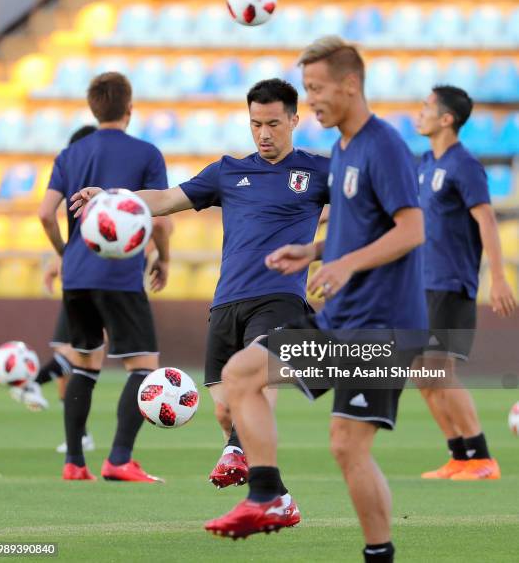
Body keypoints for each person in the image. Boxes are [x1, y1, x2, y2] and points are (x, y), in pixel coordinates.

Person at [200, 36, 427, 563]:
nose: (313, 99)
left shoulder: (382, 145)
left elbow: (413, 228)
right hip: (340, 322)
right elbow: (356, 226)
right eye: (307, 88)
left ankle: (379, 554)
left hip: (382, 329)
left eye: (318, 89)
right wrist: (317, 249)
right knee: (240, 375)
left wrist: (344, 263)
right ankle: (268, 496)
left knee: (348, 447)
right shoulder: (344, 151)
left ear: (350, 85)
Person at [71, 79, 330, 518]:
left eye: (272, 124)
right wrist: (115, 199)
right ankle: (279, 497)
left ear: (293, 120)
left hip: (281, 298)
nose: (263, 133)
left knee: (256, 378)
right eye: (255, 124)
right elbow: (169, 199)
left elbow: (360, 217)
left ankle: (236, 455)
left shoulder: (318, 172)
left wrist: (330, 257)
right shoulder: (228, 171)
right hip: (227, 302)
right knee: (228, 410)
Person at [39, 72, 171, 481]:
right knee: (143, 365)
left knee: (84, 362)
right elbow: (162, 218)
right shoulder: (147, 154)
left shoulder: (71, 154)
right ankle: (118, 458)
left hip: (76, 275)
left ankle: (74, 462)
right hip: (120, 274)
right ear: (129, 109)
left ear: (94, 108)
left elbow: (45, 213)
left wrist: (67, 252)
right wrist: (163, 258)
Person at [416, 85, 516, 480]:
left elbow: (487, 219)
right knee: (424, 376)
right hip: (421, 282)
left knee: (440, 372)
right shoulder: (424, 162)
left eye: (426, 107)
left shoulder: (465, 165)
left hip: (452, 282)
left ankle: (483, 457)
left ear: (446, 118)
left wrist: (500, 276)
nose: (419, 113)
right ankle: (460, 456)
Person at [10, 125, 97, 453]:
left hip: (94, 279)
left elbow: (48, 215)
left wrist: (63, 256)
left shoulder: (94, 177)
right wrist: (60, 257)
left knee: (82, 352)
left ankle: (33, 384)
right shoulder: (87, 181)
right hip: (89, 277)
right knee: (75, 350)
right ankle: (80, 437)